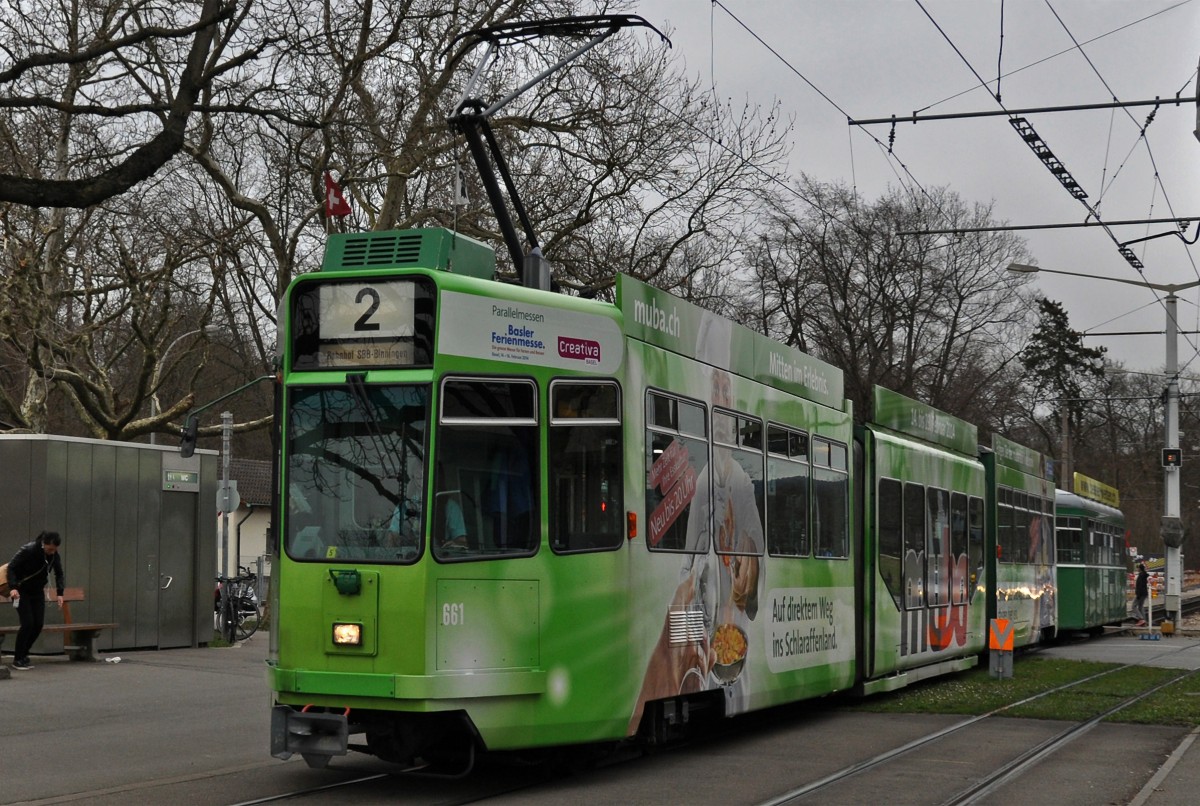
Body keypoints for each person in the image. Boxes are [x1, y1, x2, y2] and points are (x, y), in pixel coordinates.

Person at [5, 531, 65, 671]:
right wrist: (13, 587)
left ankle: (24, 653)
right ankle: (17, 658)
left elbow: (59, 573)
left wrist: (60, 593)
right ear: (44, 544)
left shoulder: (54, 555)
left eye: (54, 550)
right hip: (21, 591)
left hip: (37, 592)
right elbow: (11, 567)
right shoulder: (29, 550)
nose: (51, 552)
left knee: (38, 624)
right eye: (50, 549)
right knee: (27, 623)